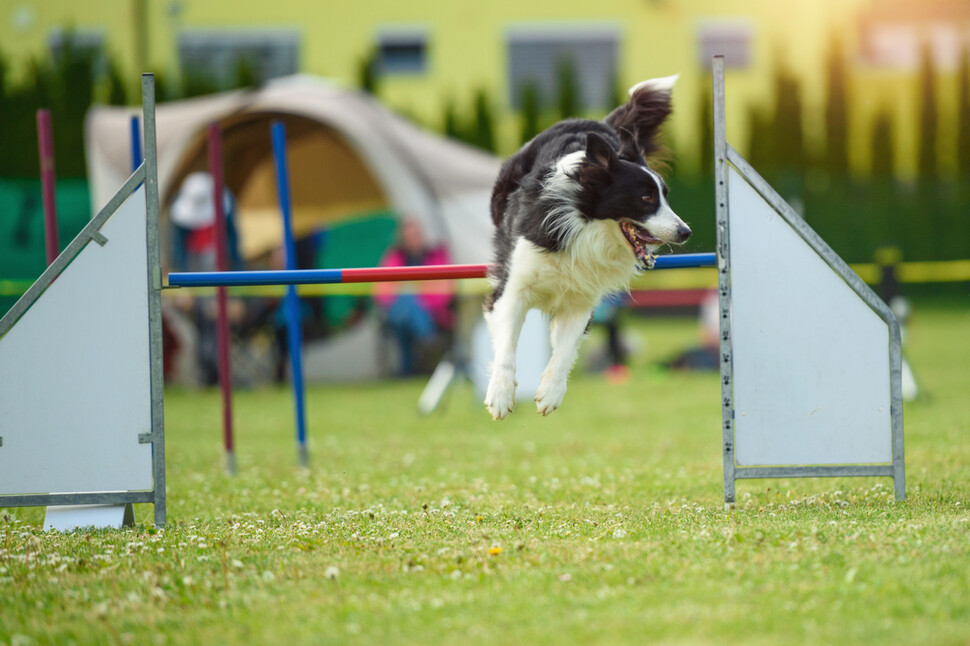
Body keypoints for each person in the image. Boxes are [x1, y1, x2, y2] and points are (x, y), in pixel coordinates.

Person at [169, 171, 240, 385]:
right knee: (200, 327)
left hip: (220, 281)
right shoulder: (180, 228)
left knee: (214, 325)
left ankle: (213, 372)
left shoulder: (226, 219)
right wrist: (182, 290)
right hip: (193, 285)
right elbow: (178, 257)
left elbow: (235, 255)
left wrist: (235, 296)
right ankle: (207, 371)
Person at [374, 218, 454, 375]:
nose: (413, 240)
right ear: (402, 239)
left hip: (431, 312)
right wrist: (416, 291)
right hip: (403, 311)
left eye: (415, 235)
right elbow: (381, 292)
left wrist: (414, 294)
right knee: (406, 302)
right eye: (409, 237)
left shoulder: (436, 255)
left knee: (406, 308)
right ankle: (428, 339)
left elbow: (444, 290)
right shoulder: (395, 257)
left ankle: (406, 368)